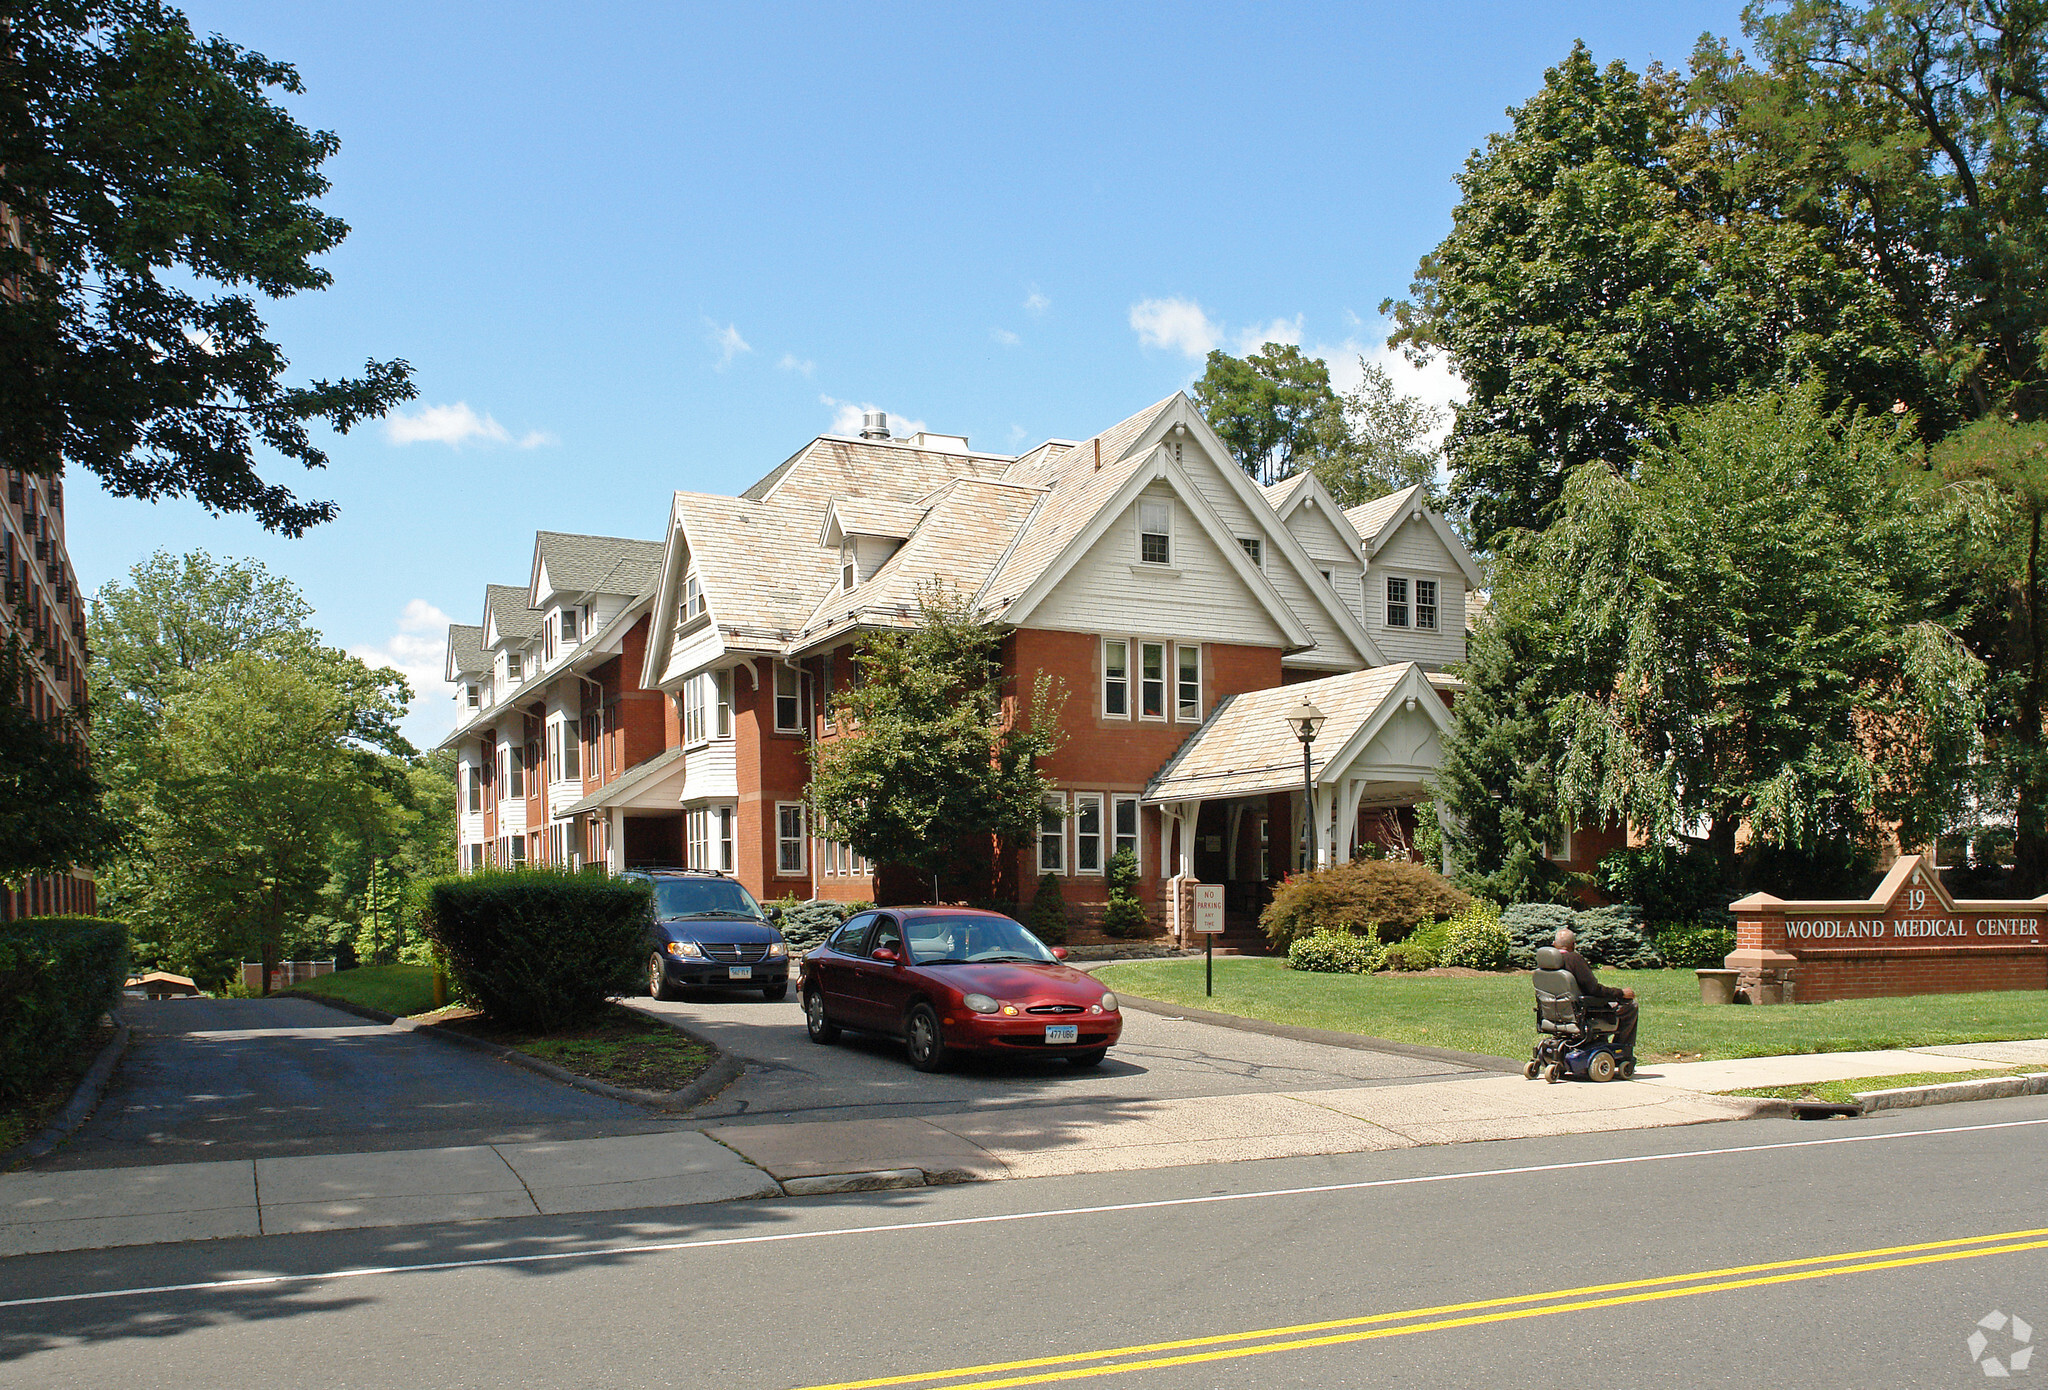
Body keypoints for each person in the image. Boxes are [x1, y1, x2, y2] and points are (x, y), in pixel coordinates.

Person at [1553, 927, 1637, 1063]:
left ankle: (1601, 1043)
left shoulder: (1545, 966)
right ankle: (1622, 1053)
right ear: (1573, 945)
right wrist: (1620, 993)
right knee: (1631, 1006)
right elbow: (1594, 990)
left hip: (1554, 1013)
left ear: (1554, 944)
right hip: (1582, 1011)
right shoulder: (1573, 958)